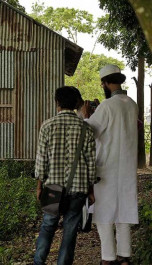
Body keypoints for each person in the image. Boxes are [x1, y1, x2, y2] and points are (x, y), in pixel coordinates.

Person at [34, 86, 97, 265]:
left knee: (47, 226)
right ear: (77, 103)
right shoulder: (86, 128)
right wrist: (91, 190)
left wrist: (39, 186)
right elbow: (91, 163)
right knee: (70, 231)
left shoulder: (47, 126)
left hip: (53, 187)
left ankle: (39, 262)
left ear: (57, 103)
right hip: (78, 189)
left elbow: (41, 161)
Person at [82, 65, 138, 265]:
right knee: (124, 211)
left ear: (105, 83)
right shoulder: (132, 104)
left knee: (104, 213)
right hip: (127, 168)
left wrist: (85, 114)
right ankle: (125, 256)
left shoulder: (107, 106)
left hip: (106, 167)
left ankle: (108, 258)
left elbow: (90, 131)